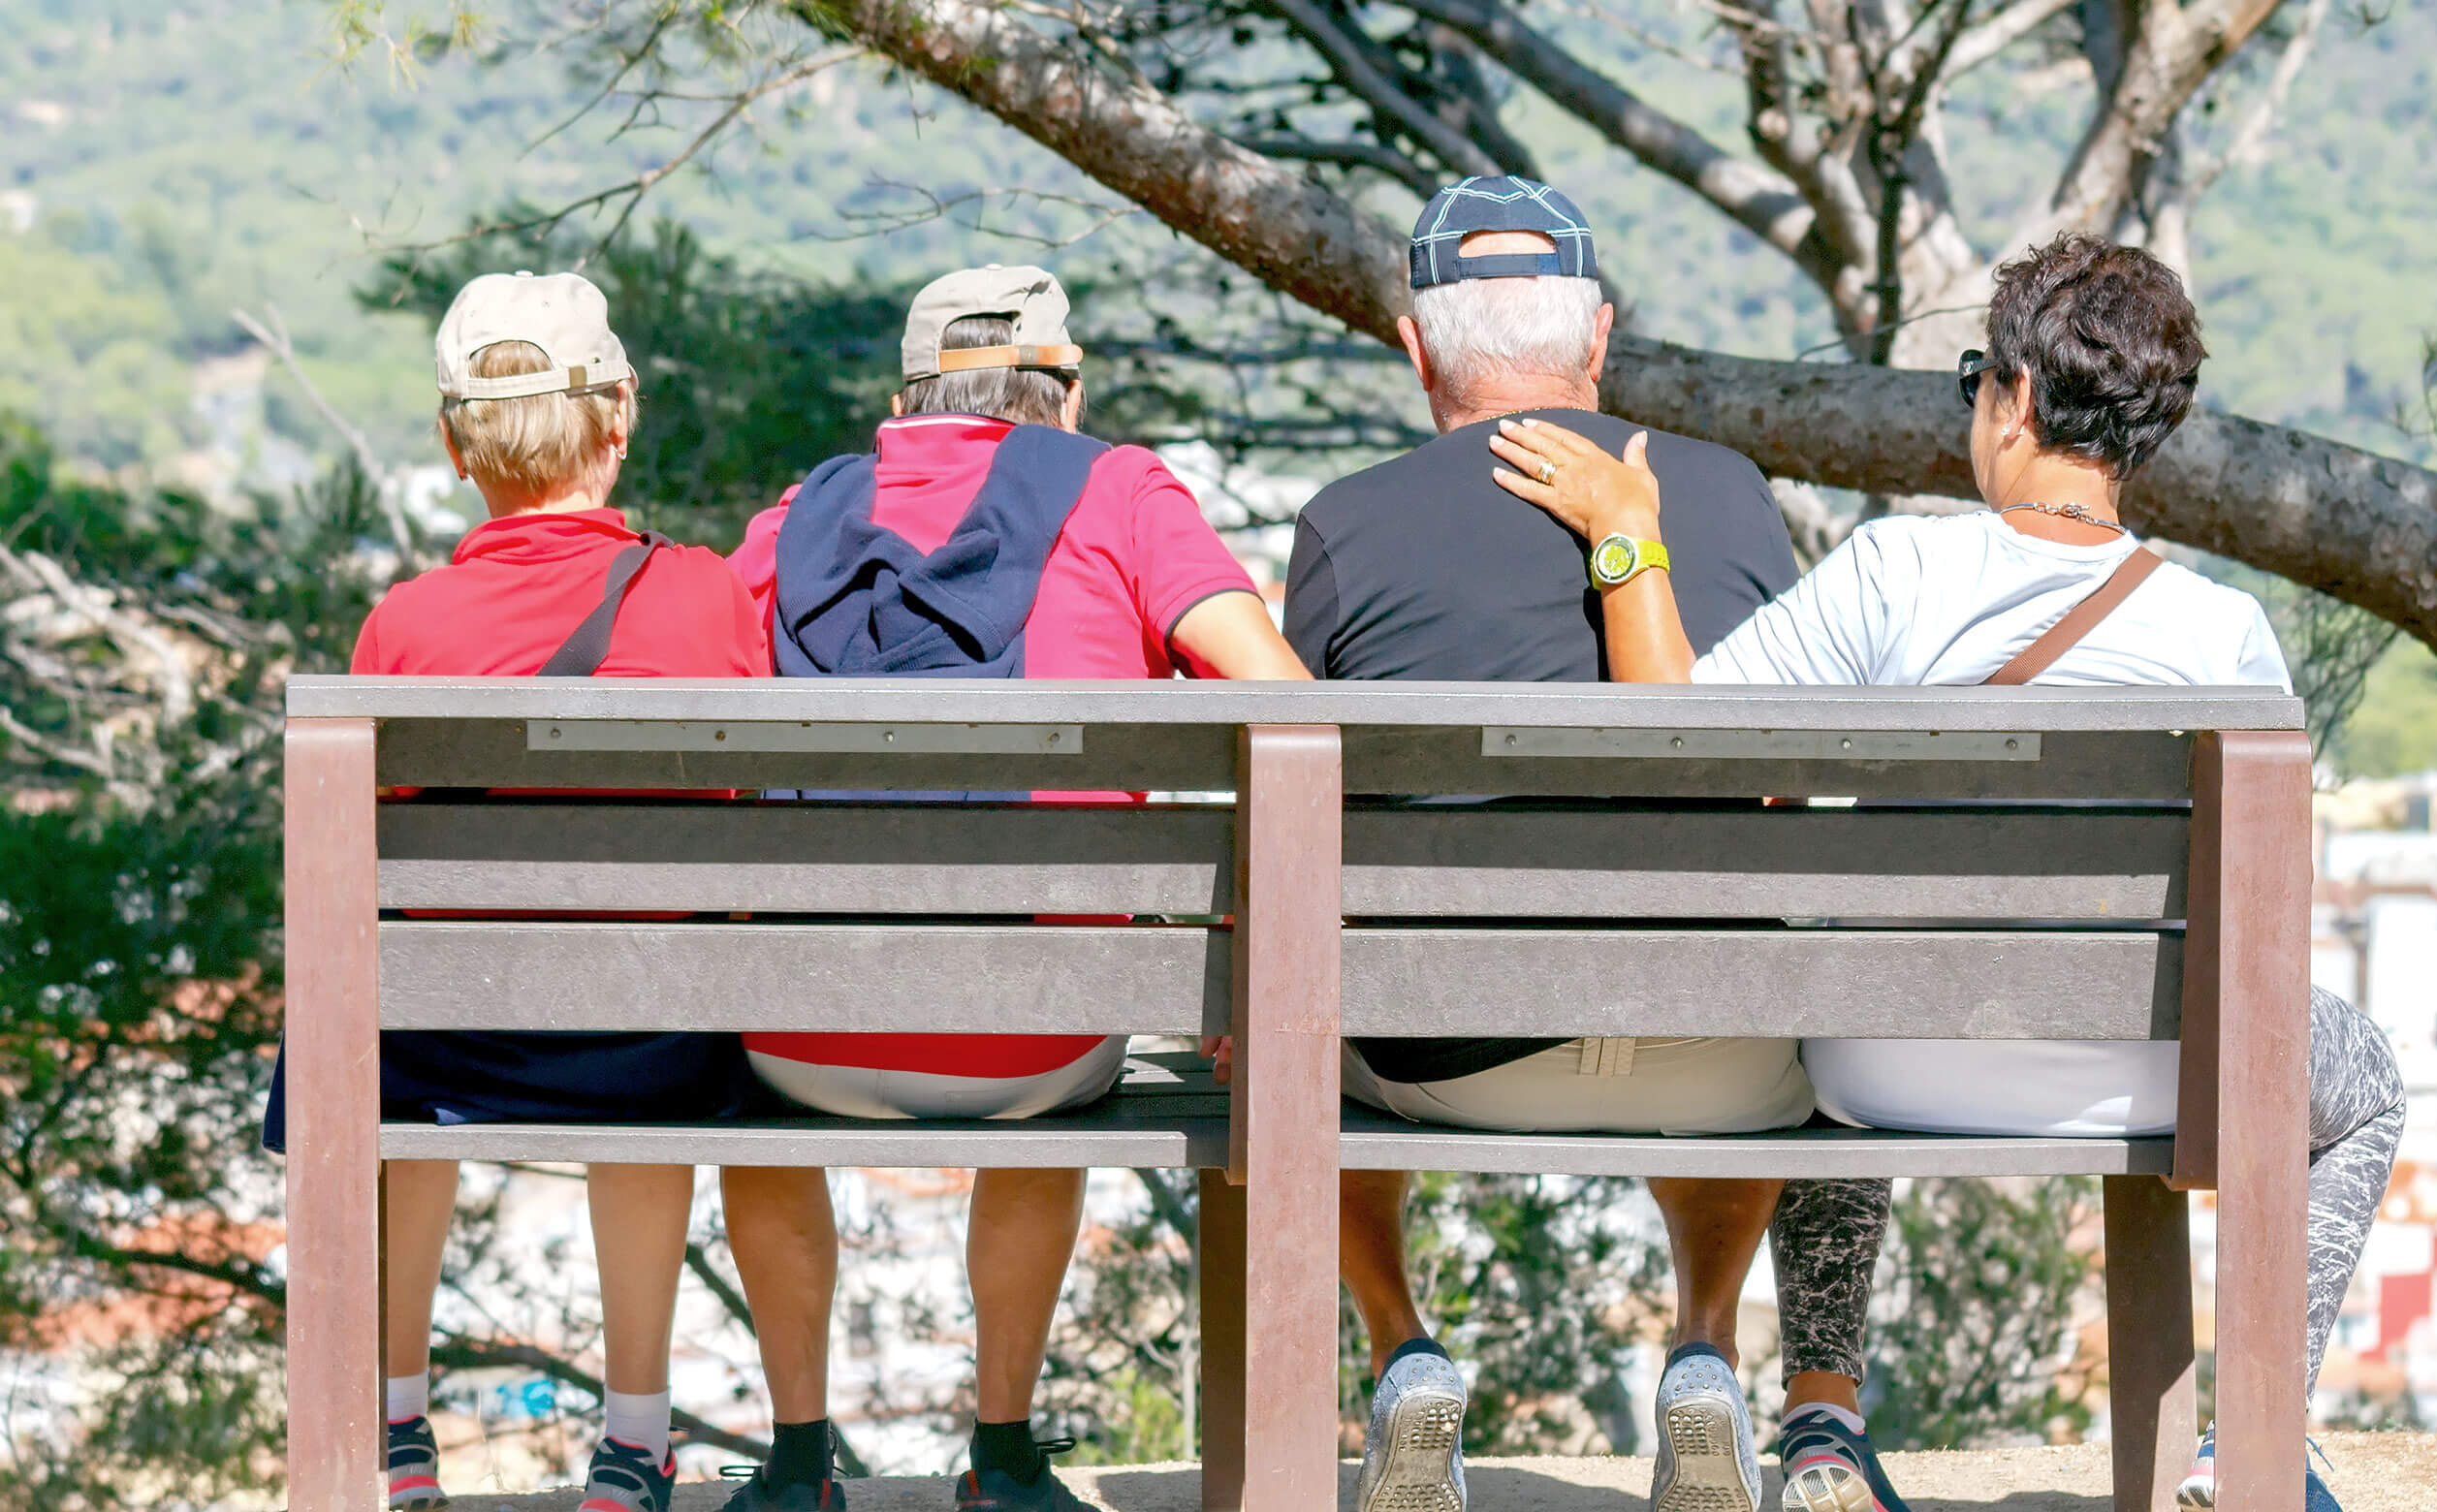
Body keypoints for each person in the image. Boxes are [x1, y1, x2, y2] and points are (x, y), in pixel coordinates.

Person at [1488, 234, 2404, 1512]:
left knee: (1822, 986)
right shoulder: (2224, 634)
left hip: (1887, 1067)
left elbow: (1681, 754)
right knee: (2366, 1086)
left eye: (1979, 377)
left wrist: (1627, 535)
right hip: (2145, 1070)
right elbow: (2266, 926)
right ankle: (2249, 1441)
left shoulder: (1893, 572)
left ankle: (1822, 1422)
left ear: (2017, 397)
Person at [725, 263, 1308, 1512]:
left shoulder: (798, 513)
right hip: (1032, 1041)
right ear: (1067, 391)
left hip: (797, 1036)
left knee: (748, 1030)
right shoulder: (1122, 489)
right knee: (1053, 979)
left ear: (906, 398)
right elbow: (1283, 701)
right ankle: (1001, 1453)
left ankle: (793, 1456)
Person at [263, 270, 842, 1512]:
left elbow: (366, 858)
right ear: (617, 422)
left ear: (454, 446)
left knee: (379, 1024)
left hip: (454, 1045)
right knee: (650, 1002)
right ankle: (633, 1442)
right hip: (647, 1048)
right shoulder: (700, 596)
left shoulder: (403, 628)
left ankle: (396, 1425)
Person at [1284, 175, 1806, 1512]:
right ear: (1600, 338)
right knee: (1744, 991)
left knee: (1307, 1012)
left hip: (1450, 1061)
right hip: (1721, 1063)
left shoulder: (1348, 521)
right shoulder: (1733, 495)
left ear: (1416, 348)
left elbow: (1297, 815)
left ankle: (1402, 1345)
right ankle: (1701, 1351)